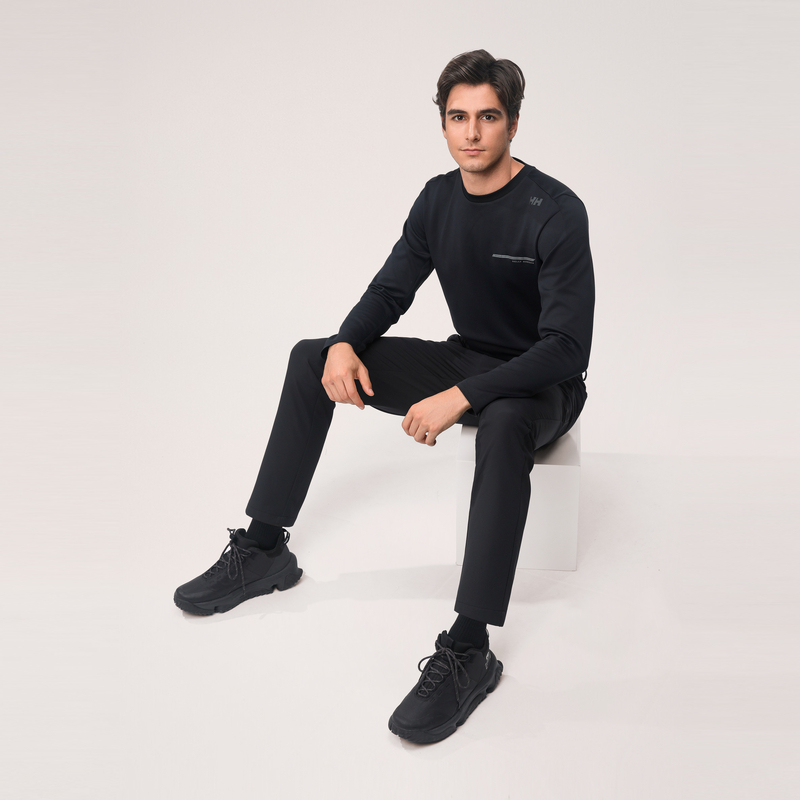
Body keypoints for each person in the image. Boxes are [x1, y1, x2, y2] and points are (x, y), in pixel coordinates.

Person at [174, 49, 594, 744]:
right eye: (457, 117)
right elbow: (393, 288)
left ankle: (469, 648)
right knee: (311, 358)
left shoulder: (555, 211)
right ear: (443, 123)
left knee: (501, 425)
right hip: (467, 357)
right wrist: (345, 341)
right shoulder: (438, 199)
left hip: (542, 383)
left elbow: (568, 347)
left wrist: (461, 395)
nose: (471, 132)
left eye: (488, 117)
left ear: (513, 124)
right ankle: (265, 548)